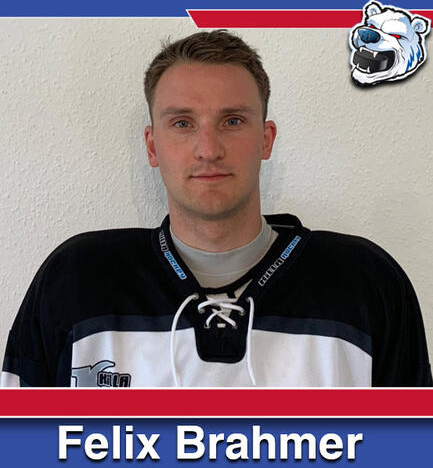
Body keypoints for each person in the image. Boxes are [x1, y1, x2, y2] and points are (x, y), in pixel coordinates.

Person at [1, 30, 431, 387]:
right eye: (182, 123)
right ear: (152, 146)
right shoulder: (78, 280)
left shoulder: (364, 284)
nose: (208, 149)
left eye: (232, 121)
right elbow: (22, 448)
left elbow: (408, 449)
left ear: (266, 139)